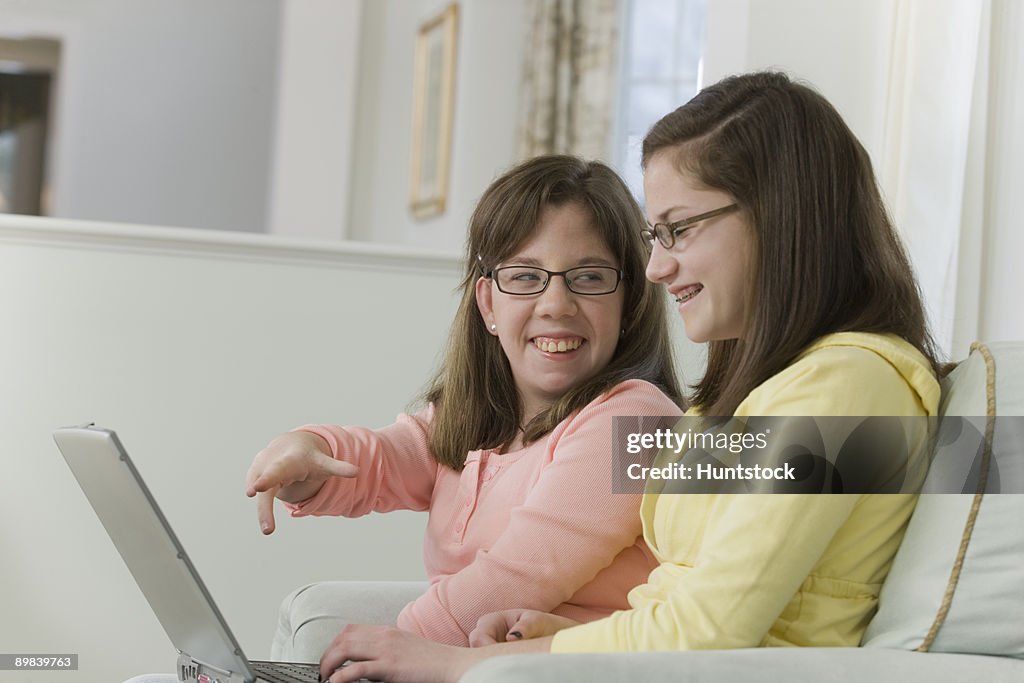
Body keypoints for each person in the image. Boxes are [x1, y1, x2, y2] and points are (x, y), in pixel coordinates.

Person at [315, 71, 942, 683]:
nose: (657, 268)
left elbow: (707, 635)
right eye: (653, 234)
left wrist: (461, 664)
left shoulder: (847, 388)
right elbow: (678, 606)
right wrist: (558, 640)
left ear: (781, 216)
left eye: (678, 229)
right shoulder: (770, 394)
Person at [244, 154, 685, 656]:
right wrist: (307, 451)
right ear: (488, 304)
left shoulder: (637, 421)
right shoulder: (476, 420)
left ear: (628, 304)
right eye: (524, 277)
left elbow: (518, 576)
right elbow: (387, 456)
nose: (557, 304)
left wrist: (393, 648)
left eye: (588, 278)